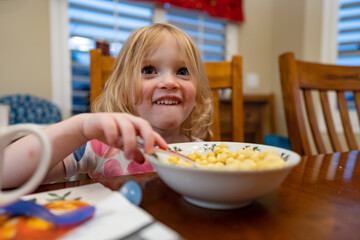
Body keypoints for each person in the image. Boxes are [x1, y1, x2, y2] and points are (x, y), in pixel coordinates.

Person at [3, 23, 213, 189]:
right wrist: (81, 128)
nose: (170, 82)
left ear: (196, 97)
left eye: (183, 72)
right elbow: (5, 174)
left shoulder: (204, 153)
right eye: (149, 70)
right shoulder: (102, 147)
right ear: (123, 90)